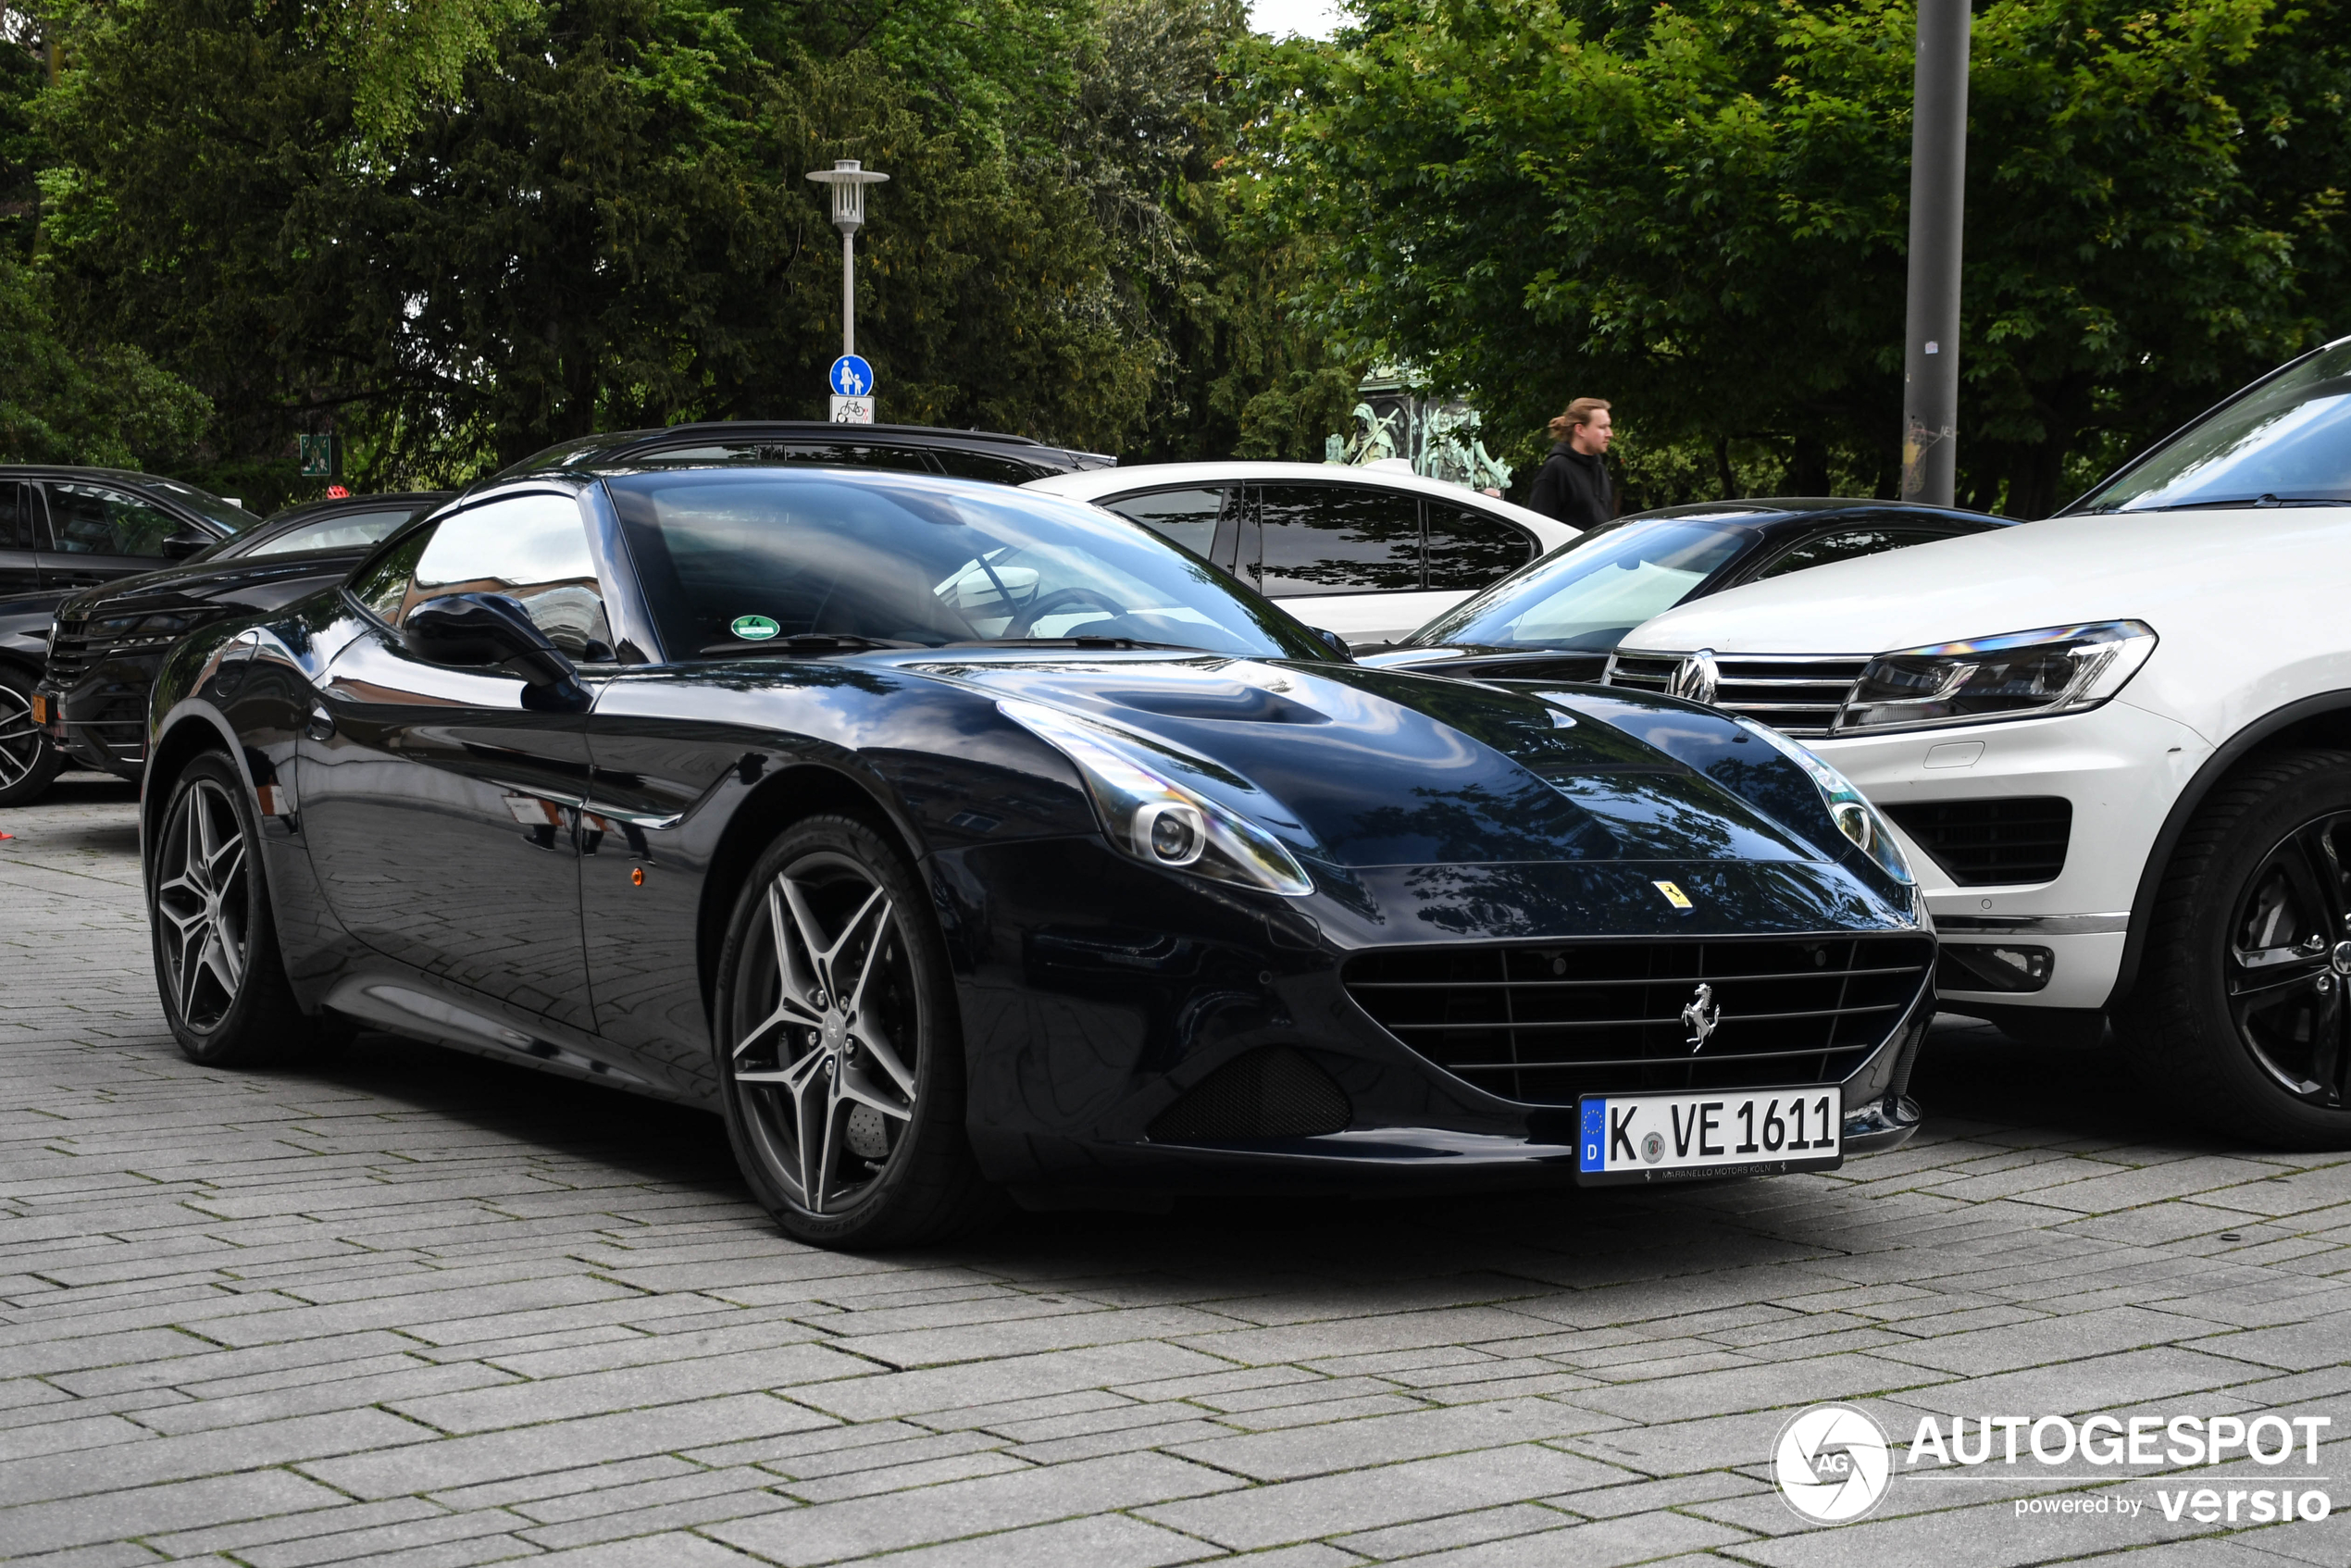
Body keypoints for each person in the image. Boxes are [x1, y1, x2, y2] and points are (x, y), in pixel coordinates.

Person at [1527, 398, 1615, 530]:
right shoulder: (1556, 469)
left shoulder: (1600, 469)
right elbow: (1538, 528)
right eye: (1602, 427)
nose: (1610, 434)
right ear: (1580, 430)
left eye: (1608, 426)